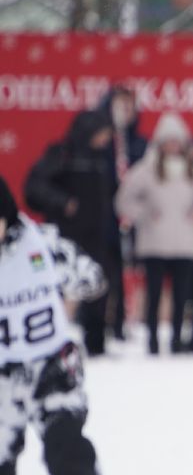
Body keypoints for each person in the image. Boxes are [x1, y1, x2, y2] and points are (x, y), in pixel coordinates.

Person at [0, 175, 111, 475]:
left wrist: (70, 285)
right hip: (3, 374)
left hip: (51, 366)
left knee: (66, 447)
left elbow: (93, 278)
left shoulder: (43, 244)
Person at [114, 112, 193, 355]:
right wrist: (144, 213)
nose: (173, 146)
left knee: (182, 296)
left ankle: (177, 339)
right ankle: (152, 340)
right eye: (168, 141)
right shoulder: (145, 170)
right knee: (153, 295)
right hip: (154, 244)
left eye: (177, 141)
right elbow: (124, 200)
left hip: (185, 244)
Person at [24, 110, 120, 356]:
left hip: (96, 235)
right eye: (102, 134)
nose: (105, 139)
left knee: (97, 287)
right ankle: (51, 342)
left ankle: (96, 343)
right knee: (58, 292)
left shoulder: (103, 158)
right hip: (65, 237)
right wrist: (63, 202)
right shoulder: (63, 154)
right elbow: (35, 187)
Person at [98, 84, 147, 342]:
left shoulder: (139, 144)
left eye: (128, 106)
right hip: (102, 219)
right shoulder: (100, 140)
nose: (124, 112)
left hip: (130, 219)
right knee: (104, 274)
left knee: (126, 271)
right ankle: (98, 325)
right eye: (119, 106)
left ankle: (122, 322)